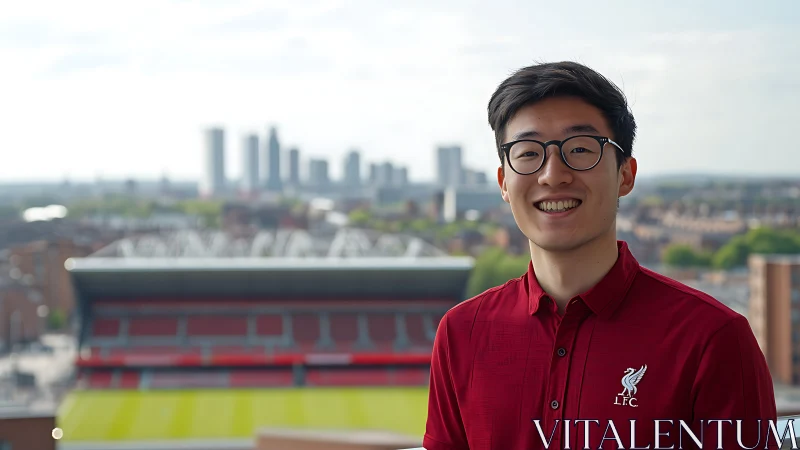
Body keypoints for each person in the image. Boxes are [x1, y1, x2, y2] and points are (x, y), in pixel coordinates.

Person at [423, 61, 778, 450]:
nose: (552, 175)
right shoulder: (462, 332)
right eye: (527, 153)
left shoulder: (713, 339)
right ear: (504, 182)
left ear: (625, 174)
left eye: (580, 149)